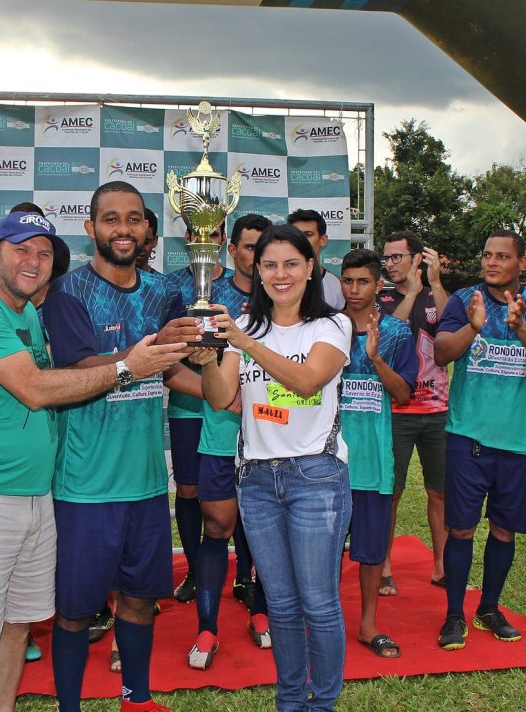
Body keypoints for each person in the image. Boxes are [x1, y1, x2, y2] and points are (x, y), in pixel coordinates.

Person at [0, 210, 186, 712]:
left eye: (44, 253)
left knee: (16, 629)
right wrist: (128, 367)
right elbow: (35, 389)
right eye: (21, 249)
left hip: (34, 493)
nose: (33, 261)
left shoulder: (27, 313)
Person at [43, 181, 201, 712]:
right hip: (86, 485)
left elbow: (172, 369)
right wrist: (139, 357)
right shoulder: (68, 292)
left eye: (133, 218)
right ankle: (69, 706)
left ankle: (137, 698)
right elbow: (76, 371)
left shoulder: (162, 293)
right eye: (111, 219)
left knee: (139, 598)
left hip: (148, 482)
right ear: (91, 228)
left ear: (147, 229)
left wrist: (224, 389)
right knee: (75, 609)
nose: (123, 229)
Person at [201, 224, 352, 711]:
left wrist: (244, 342)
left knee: (319, 603)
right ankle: (290, 702)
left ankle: (321, 704)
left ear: (310, 268)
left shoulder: (332, 326)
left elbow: (307, 381)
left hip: (316, 477)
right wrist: (209, 358)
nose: (280, 274)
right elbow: (221, 398)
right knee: (281, 604)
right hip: (257, 480)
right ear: (257, 270)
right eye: (269, 265)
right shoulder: (245, 327)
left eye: (291, 263)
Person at [434, 229, 526, 651]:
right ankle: (454, 614)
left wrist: (519, 325)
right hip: (466, 435)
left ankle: (489, 608)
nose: (491, 261)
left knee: (504, 531)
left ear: (522, 263)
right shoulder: (464, 299)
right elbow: (441, 352)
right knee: (461, 528)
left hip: (516, 441)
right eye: (487, 254)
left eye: (502, 256)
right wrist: (473, 328)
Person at [189, 214, 271, 670]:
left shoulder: (284, 302)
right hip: (221, 436)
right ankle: (207, 627)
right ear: (232, 249)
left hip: (269, 442)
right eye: (249, 247)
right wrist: (221, 391)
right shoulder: (207, 298)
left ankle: (261, 612)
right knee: (218, 527)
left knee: (261, 530)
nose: (256, 257)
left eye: (264, 249)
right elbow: (186, 363)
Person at [338, 248, 416, 660]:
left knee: (370, 551)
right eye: (348, 281)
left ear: (378, 285)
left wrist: (376, 358)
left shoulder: (397, 332)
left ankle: (368, 624)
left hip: (372, 462)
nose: (354, 289)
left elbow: (403, 393)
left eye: (362, 281)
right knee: (323, 551)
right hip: (327, 463)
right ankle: (323, 623)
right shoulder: (325, 326)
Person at [377, 231, 450, 594]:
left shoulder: (436, 294)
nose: (390, 264)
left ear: (417, 258)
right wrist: (409, 295)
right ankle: (384, 565)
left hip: (438, 409)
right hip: (396, 409)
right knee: (391, 493)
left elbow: (453, 327)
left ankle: (441, 565)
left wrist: (434, 283)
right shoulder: (382, 297)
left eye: (397, 257)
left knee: (440, 492)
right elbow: (388, 337)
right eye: (387, 257)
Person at [162, 221, 229, 605]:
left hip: (232, 407)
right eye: (199, 234)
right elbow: (163, 349)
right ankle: (193, 568)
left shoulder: (239, 284)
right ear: (187, 239)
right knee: (188, 489)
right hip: (188, 405)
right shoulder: (170, 285)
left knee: (230, 494)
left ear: (223, 239)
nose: (207, 241)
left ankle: (245, 575)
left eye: (214, 234)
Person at [288, 208, 344, 310]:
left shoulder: (335, 284)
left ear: (323, 240)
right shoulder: (279, 281)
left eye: (308, 235)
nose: (301, 240)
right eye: (295, 235)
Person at [134, 208, 161, 274]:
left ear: (155, 241)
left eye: (146, 242)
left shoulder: (162, 280)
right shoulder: (108, 279)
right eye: (134, 241)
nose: (140, 248)